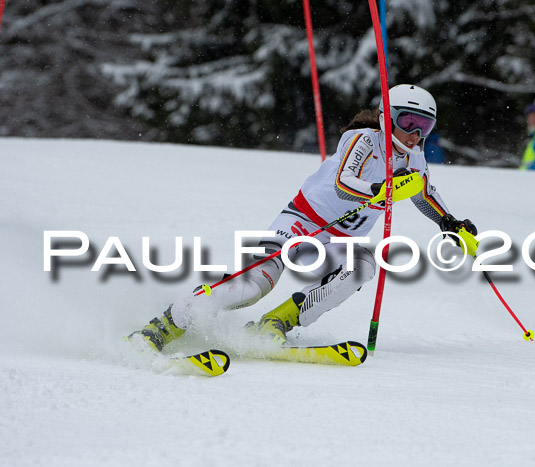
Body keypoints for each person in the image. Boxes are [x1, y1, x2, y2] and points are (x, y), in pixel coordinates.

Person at [128, 84, 478, 351]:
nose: (415, 135)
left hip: (338, 240)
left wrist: (449, 223)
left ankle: (275, 324)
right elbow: (344, 184)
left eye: (424, 127)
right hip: (302, 222)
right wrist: (381, 188)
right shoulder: (363, 140)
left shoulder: (414, 158)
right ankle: (165, 325)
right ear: (387, 116)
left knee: (362, 267)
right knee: (253, 286)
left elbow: (424, 193)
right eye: (408, 122)